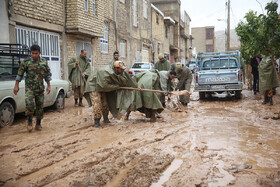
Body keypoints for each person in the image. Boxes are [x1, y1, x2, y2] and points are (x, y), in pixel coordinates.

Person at [85, 61, 139, 128]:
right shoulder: (106, 72)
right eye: (121, 69)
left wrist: (136, 86)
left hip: (102, 86)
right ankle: (97, 121)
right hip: (94, 86)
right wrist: (116, 87)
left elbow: (127, 79)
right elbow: (104, 85)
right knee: (97, 104)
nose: (122, 70)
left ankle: (106, 119)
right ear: (116, 68)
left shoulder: (119, 72)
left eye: (123, 69)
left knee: (105, 103)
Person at [13, 44, 52, 132]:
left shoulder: (44, 62)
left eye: (36, 53)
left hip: (40, 88)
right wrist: (16, 85)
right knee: (29, 104)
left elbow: (47, 75)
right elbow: (20, 73)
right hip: (29, 88)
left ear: (40, 53)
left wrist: (49, 86)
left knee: (40, 106)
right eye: (33, 53)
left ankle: (38, 123)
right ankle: (29, 121)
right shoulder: (26, 62)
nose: (34, 55)